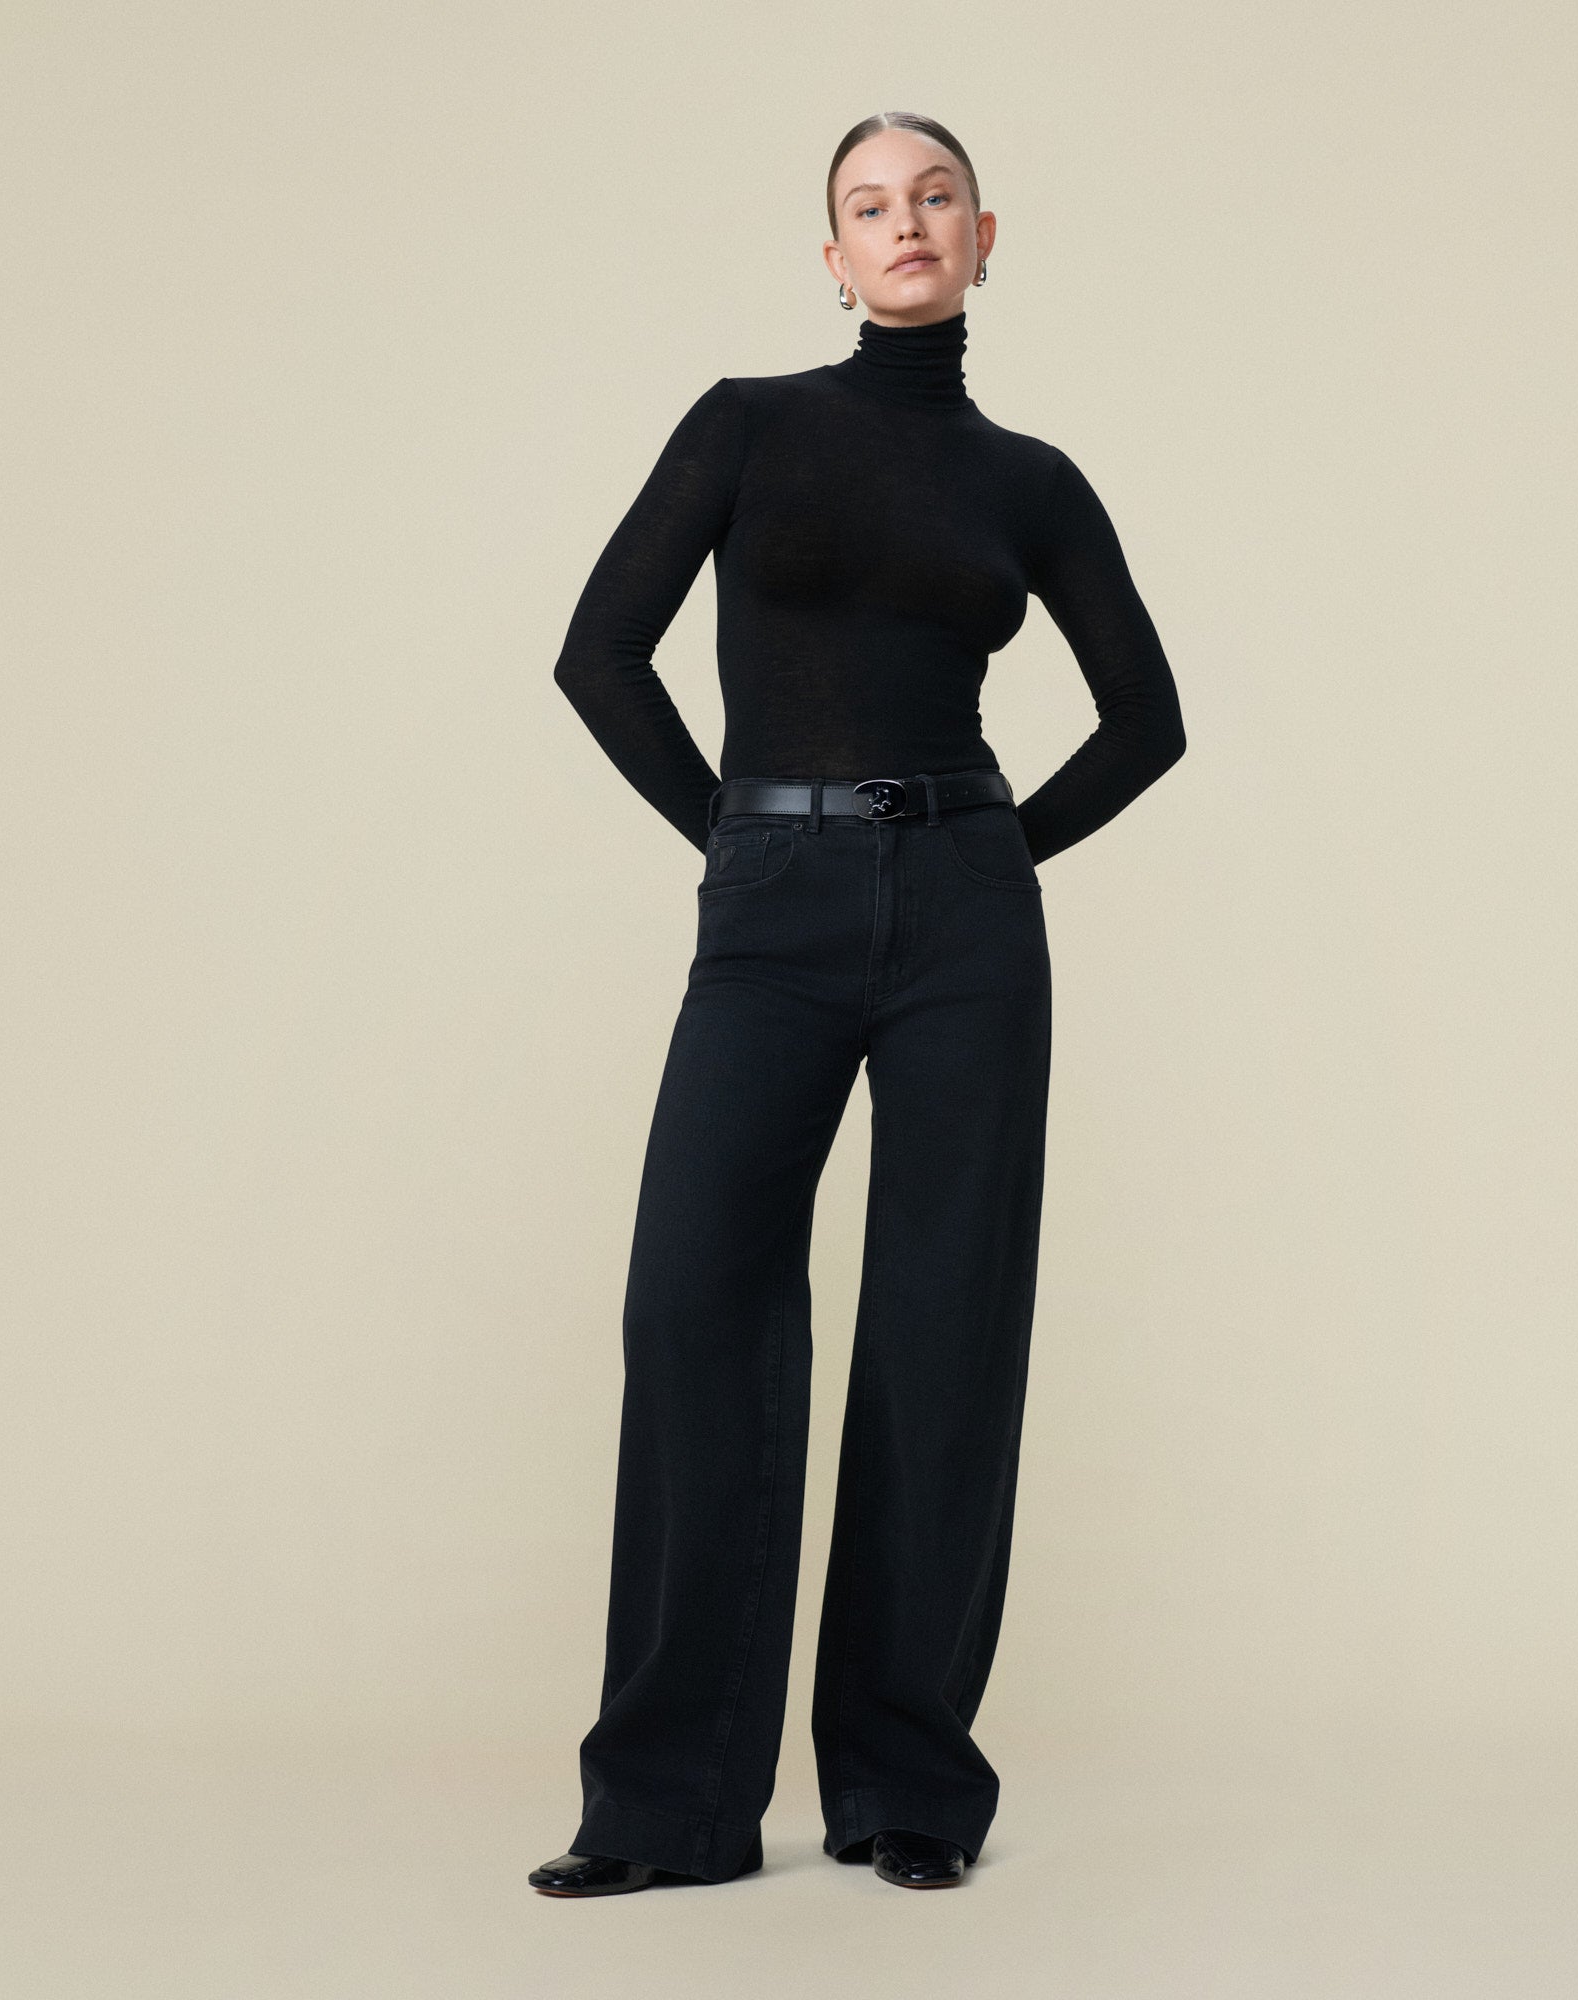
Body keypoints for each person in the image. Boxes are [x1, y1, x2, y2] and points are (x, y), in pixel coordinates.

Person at [529, 111, 1185, 1897]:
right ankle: (670, 1807)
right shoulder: (748, 424)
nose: (906, 224)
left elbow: (1150, 719)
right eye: (870, 206)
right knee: (694, 1301)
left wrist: (996, 854)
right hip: (774, 898)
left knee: (944, 1331)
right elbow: (597, 651)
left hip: (966, 911)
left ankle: (904, 1789)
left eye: (935, 198)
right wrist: (738, 839)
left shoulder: (1032, 480)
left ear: (985, 236)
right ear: (832, 258)